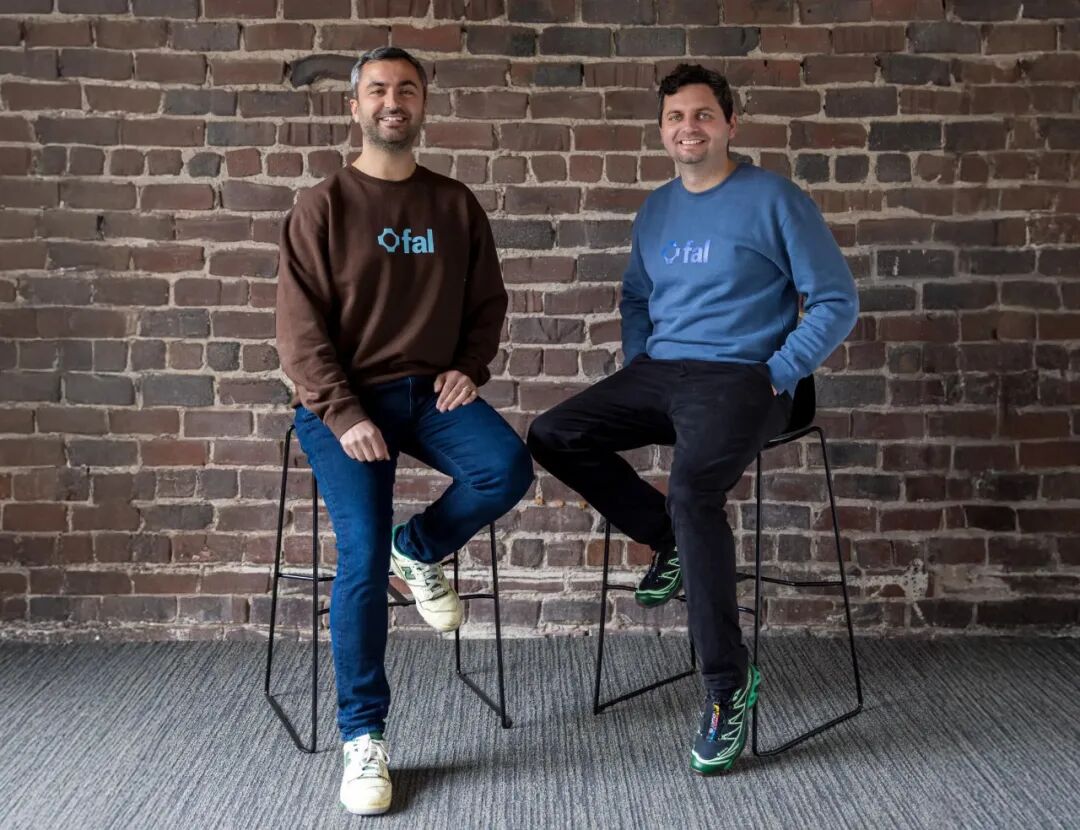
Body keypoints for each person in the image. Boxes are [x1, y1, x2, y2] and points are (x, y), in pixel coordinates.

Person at [527, 63, 859, 775]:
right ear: (661, 131)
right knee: (553, 433)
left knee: (692, 490)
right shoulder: (657, 209)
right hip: (664, 371)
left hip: (747, 374)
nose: (690, 128)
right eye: (676, 117)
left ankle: (726, 687)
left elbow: (836, 299)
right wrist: (640, 361)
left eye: (704, 114)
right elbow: (636, 296)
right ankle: (666, 540)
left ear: (731, 124)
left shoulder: (774, 198)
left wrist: (776, 371)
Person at [275, 46, 532, 815]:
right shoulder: (322, 206)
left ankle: (416, 549)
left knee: (505, 467)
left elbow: (488, 302)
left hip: (428, 393)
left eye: (408, 90)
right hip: (344, 401)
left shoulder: (454, 204)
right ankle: (364, 737)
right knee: (359, 555)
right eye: (379, 90)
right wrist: (343, 411)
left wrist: (470, 368)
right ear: (354, 106)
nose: (394, 102)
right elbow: (299, 332)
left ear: (423, 105)